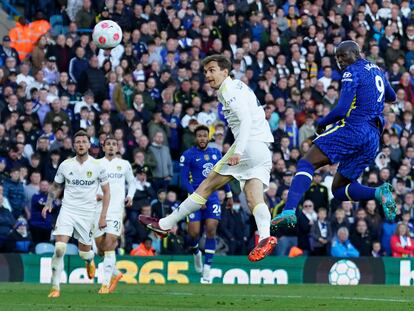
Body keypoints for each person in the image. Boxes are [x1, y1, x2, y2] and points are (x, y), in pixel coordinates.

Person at [139, 54, 276, 262]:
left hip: (247, 145)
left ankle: (164, 225)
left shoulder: (229, 89)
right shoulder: (237, 86)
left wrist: (238, 151)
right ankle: (265, 237)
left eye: (212, 70)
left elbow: (246, 120)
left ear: (225, 71)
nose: (208, 75)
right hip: (263, 148)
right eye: (205, 72)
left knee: (206, 186)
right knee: (253, 197)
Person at [272, 40, 397, 233]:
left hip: (355, 127)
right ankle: (379, 192)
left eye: (343, 55)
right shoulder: (377, 70)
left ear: (356, 53)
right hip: (373, 138)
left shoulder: (351, 71)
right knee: (339, 190)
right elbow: (392, 96)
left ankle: (288, 211)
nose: (340, 61)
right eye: (337, 57)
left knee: (306, 163)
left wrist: (321, 124)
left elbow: (341, 109)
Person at [41, 130, 110, 298]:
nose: (80, 144)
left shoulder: (97, 165)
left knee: (84, 253)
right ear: (73, 145)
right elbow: (56, 186)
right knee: (59, 248)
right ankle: (55, 287)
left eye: (83, 142)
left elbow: (107, 192)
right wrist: (48, 203)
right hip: (68, 210)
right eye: (77, 142)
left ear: (89, 144)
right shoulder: (66, 165)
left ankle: (89, 261)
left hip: (87, 213)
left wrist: (102, 216)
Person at [180, 125, 233, 283]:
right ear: (195, 138)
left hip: (212, 197)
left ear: (208, 137)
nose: (202, 138)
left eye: (205, 135)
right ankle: (196, 251)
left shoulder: (216, 153)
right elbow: (183, 180)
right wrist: (197, 197)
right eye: (199, 136)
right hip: (195, 196)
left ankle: (207, 271)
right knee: (193, 233)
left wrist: (229, 194)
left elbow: (222, 175)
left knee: (211, 230)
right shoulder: (188, 155)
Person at [94, 135, 135, 294]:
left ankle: (105, 285)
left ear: (117, 148)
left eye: (114, 144)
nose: (111, 147)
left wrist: (130, 196)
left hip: (116, 210)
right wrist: (94, 195)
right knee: (100, 249)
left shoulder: (124, 164)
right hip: (97, 209)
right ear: (103, 148)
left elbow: (132, 182)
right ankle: (116, 274)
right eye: (108, 144)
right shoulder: (96, 164)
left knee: (110, 243)